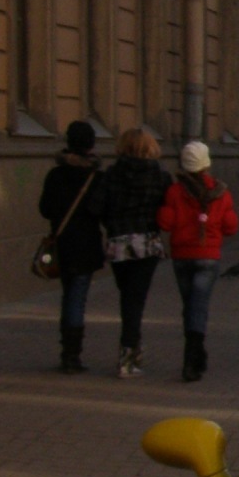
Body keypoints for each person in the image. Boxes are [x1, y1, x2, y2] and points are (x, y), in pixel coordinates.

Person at [158, 141, 238, 382]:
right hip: (208, 256)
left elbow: (165, 223)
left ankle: (195, 354)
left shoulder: (175, 192)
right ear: (207, 163)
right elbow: (231, 227)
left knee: (190, 305)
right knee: (198, 306)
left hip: (182, 256)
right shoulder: (221, 193)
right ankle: (193, 359)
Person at [96, 127, 171, 377]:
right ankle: (128, 356)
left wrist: (113, 225)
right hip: (147, 244)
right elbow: (166, 209)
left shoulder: (111, 175)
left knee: (127, 296)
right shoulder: (160, 176)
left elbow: (99, 207)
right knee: (135, 299)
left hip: (119, 244)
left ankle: (132, 349)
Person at [39, 120, 106, 372]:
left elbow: (45, 209)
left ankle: (67, 350)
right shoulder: (96, 177)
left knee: (68, 295)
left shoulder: (55, 175)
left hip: (62, 244)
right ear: (91, 145)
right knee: (77, 298)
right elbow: (101, 211)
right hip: (86, 245)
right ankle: (72, 355)